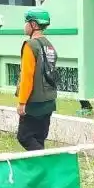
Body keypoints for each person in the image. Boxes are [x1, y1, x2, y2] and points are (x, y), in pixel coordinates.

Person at [16, 8, 58, 151]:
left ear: (33, 24)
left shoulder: (30, 45)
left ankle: (46, 164)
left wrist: (22, 102)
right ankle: (40, 171)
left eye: (26, 22)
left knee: (24, 137)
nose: (25, 26)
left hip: (34, 102)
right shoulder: (49, 45)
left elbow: (27, 76)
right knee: (39, 138)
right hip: (49, 101)